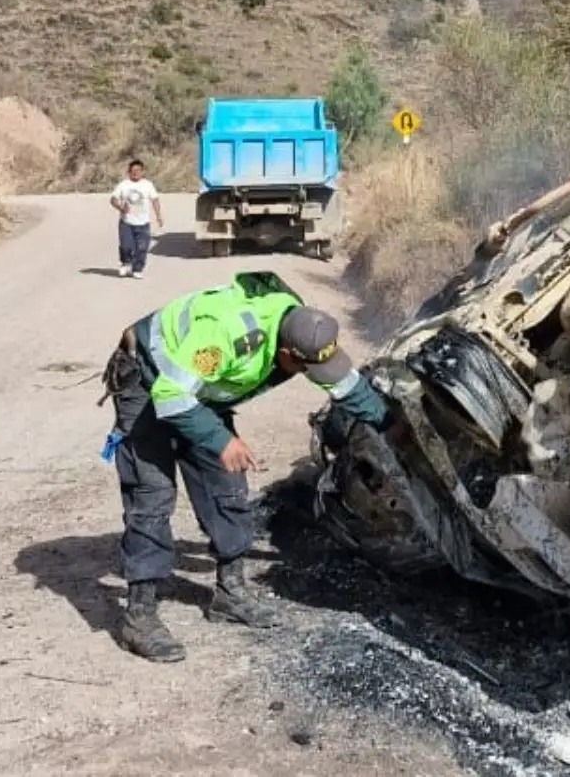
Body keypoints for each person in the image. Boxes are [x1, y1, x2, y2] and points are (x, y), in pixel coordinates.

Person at [96, 271, 393, 662]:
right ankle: (139, 615)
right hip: (150, 382)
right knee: (152, 494)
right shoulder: (229, 337)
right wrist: (222, 439)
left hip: (200, 391)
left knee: (228, 484)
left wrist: (390, 424)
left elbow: (345, 385)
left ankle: (230, 594)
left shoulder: (301, 324)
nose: (308, 376)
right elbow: (171, 395)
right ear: (286, 353)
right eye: (303, 368)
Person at [109, 159, 163, 278]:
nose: (136, 173)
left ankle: (137, 269)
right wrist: (120, 207)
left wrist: (158, 216)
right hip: (126, 222)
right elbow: (113, 199)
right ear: (129, 172)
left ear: (142, 172)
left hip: (143, 223)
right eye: (133, 170)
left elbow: (155, 200)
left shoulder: (148, 185)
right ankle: (125, 263)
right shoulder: (124, 185)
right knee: (125, 246)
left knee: (142, 248)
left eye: (138, 170)